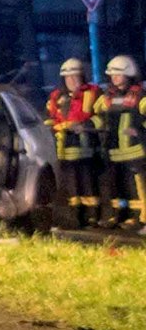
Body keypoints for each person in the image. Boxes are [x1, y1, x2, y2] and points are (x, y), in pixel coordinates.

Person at [47, 58, 104, 229]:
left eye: (75, 77)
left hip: (86, 148)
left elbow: (101, 118)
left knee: (88, 184)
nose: (71, 81)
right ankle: (73, 217)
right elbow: (50, 118)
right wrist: (53, 128)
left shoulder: (93, 93)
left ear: (82, 76)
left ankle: (92, 216)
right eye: (67, 77)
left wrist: (85, 126)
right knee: (69, 187)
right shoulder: (56, 96)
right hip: (63, 149)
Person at [98, 56, 145, 229]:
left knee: (135, 187)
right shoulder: (107, 97)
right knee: (117, 186)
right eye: (112, 74)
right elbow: (96, 116)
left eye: (118, 74)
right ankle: (118, 215)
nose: (114, 78)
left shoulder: (140, 96)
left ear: (128, 74)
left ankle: (138, 218)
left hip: (134, 150)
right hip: (113, 150)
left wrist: (139, 131)